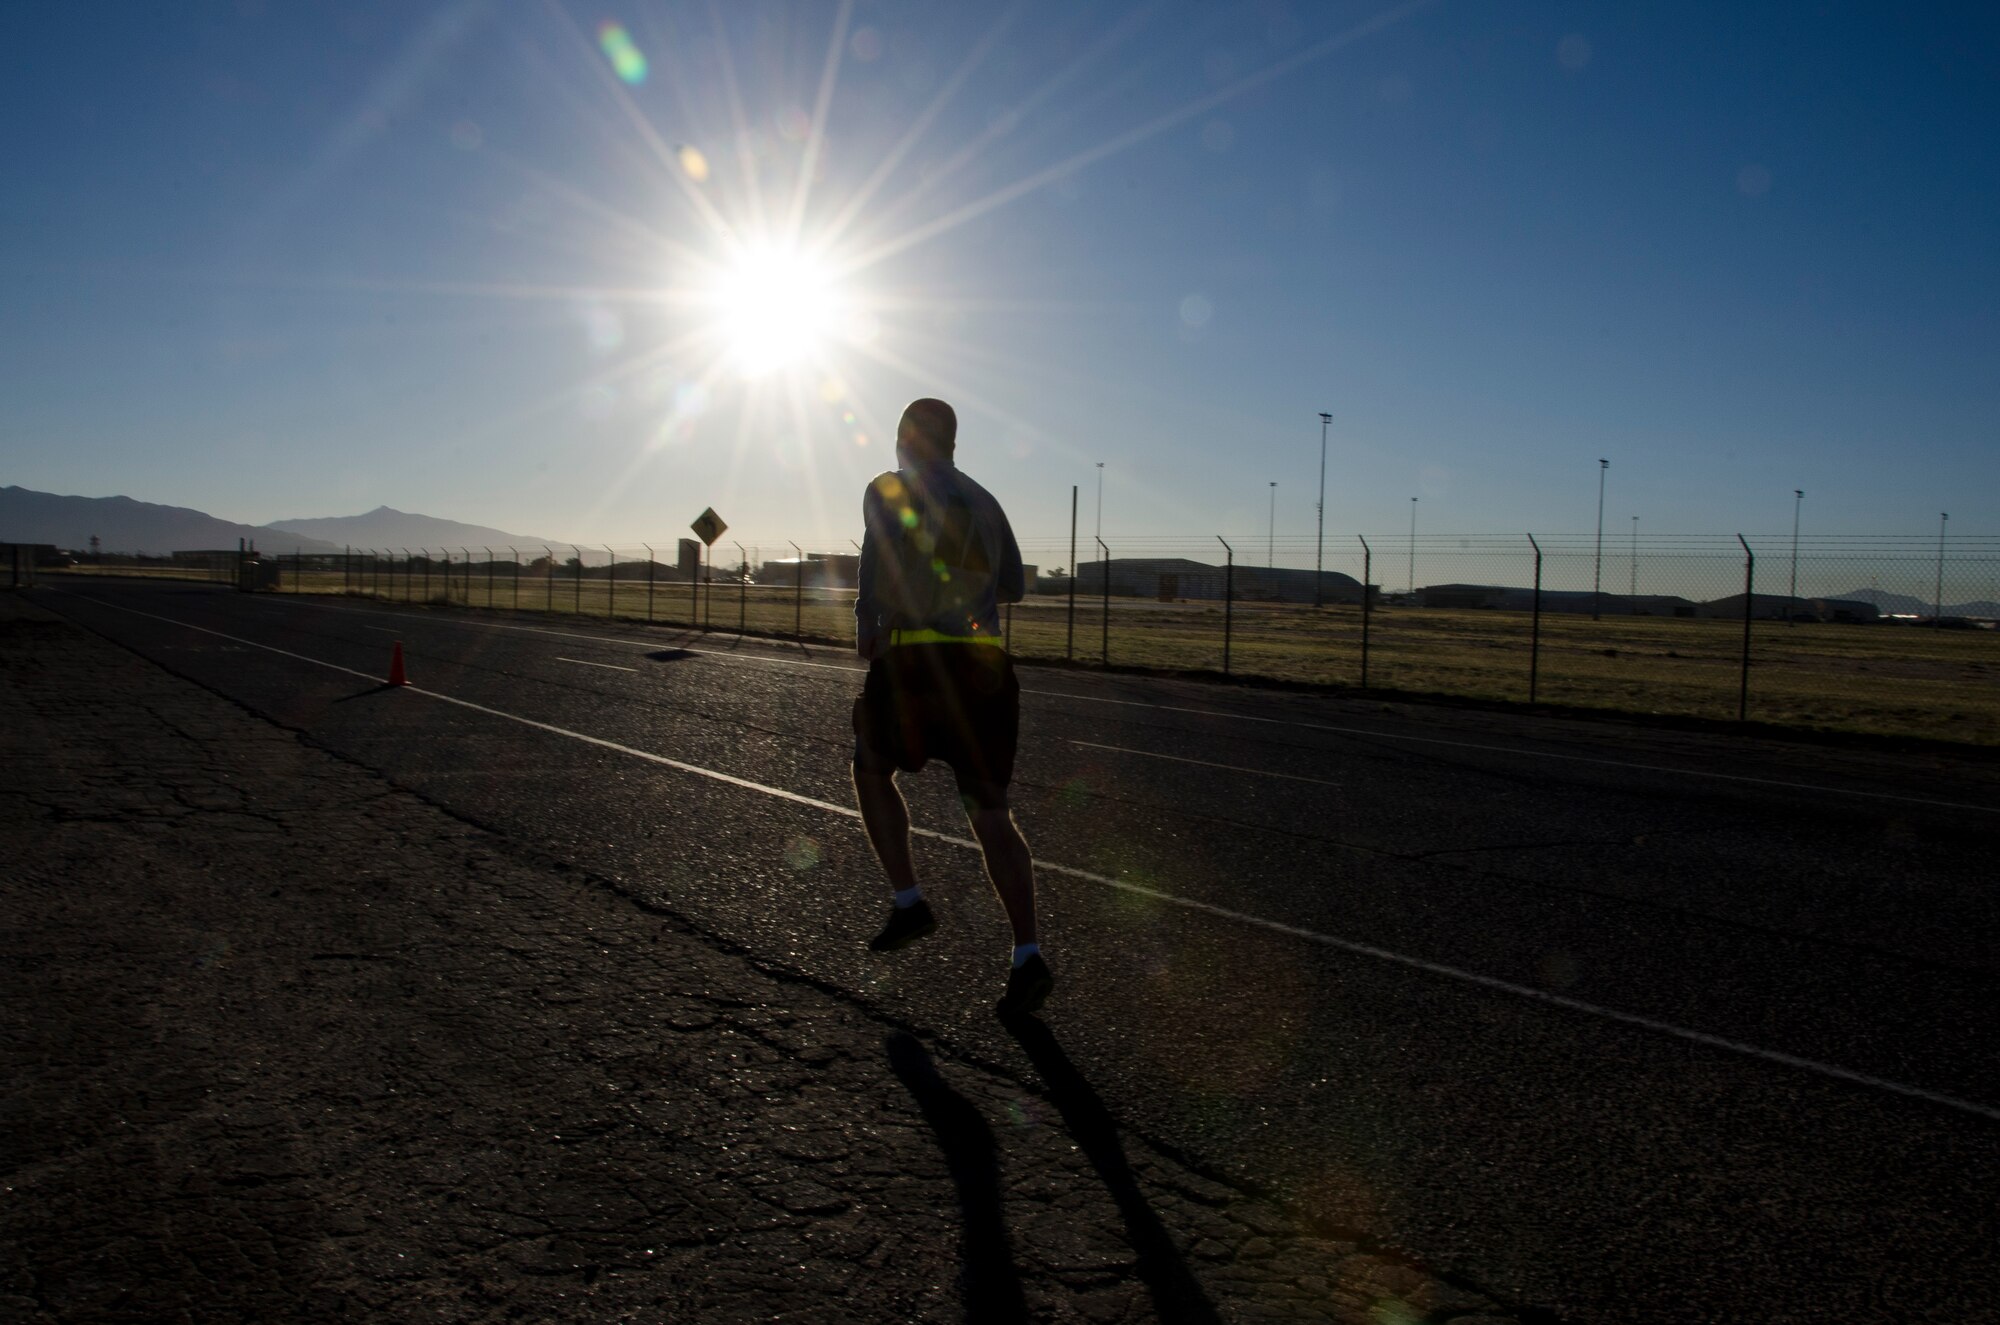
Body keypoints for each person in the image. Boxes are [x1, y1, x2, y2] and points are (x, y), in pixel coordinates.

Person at [852, 397, 1051, 1017]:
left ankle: (909, 901)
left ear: (909, 439)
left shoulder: (887, 488)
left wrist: (867, 619)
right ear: (955, 443)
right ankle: (1027, 954)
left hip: (915, 662)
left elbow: (876, 566)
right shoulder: (988, 501)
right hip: (984, 666)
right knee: (991, 813)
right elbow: (1014, 585)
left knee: (870, 765)